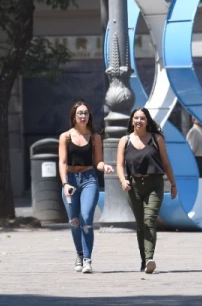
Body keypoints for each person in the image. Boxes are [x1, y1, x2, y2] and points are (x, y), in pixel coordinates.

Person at [116, 107, 177, 275]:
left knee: (150, 219)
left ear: (147, 121)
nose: (139, 121)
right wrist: (123, 180)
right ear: (131, 121)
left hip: (154, 183)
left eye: (142, 118)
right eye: (136, 118)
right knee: (141, 224)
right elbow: (120, 165)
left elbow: (165, 163)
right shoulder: (125, 140)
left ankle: (150, 258)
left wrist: (172, 184)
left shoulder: (157, 139)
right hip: (133, 186)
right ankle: (144, 260)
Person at [58, 101, 113, 274]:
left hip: (89, 179)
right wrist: (65, 183)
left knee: (86, 217)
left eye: (86, 113)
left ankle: (88, 259)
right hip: (71, 181)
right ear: (74, 116)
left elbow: (98, 162)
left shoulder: (94, 137)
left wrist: (105, 166)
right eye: (80, 113)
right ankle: (79, 255)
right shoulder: (65, 137)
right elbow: (63, 162)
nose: (83, 116)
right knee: (74, 222)